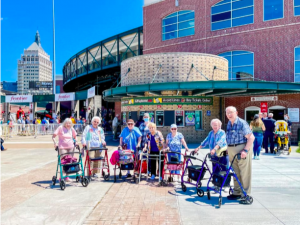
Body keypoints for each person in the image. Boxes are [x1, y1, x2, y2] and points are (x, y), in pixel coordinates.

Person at [225, 106, 255, 204]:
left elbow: (251, 138)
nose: (229, 114)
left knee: (245, 173)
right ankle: (237, 192)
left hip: (241, 150)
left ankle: (246, 194)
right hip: (231, 150)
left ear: (236, 112)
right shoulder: (229, 123)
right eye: (227, 113)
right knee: (235, 172)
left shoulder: (242, 123)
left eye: (231, 112)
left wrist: (245, 150)